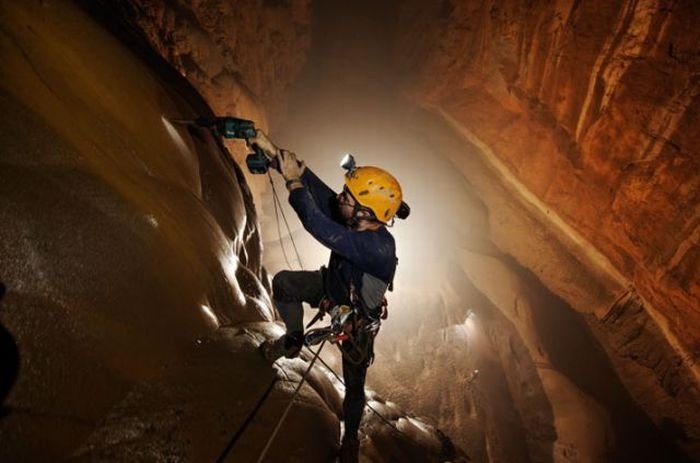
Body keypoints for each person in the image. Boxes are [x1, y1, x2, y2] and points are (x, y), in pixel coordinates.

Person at [250, 131, 403, 462]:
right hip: (332, 286)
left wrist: (294, 183)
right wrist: (278, 156)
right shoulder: (360, 220)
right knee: (285, 284)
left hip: (356, 322)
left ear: (365, 214)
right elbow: (322, 195)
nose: (341, 199)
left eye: (349, 198)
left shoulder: (376, 249)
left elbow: (317, 224)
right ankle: (292, 339)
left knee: (354, 386)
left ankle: (350, 440)